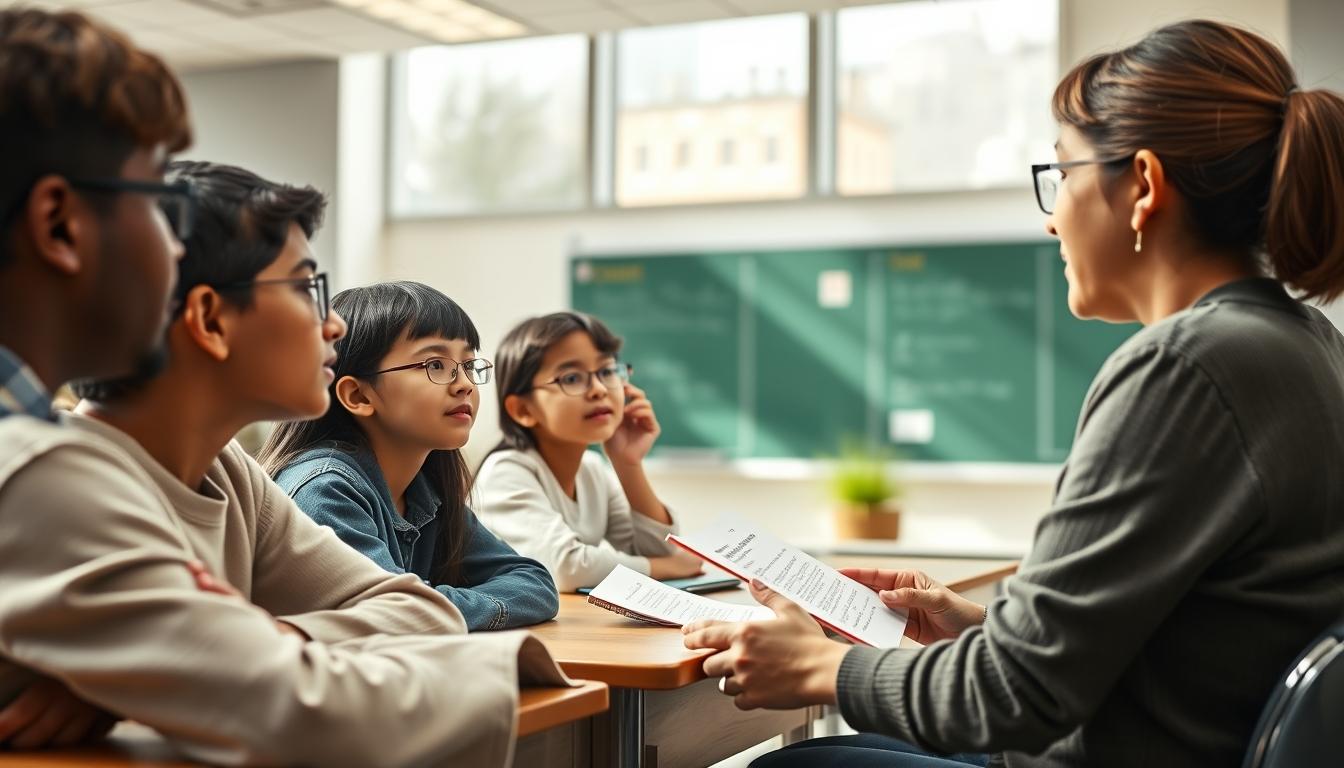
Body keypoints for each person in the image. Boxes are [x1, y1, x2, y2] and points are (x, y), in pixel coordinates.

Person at [683, 19, 1344, 768]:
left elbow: (1012, 700)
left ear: (1145, 187)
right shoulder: (1307, 344)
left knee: (794, 766)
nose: (1053, 217)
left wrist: (813, 666)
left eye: (1061, 174)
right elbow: (1173, 640)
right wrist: (978, 627)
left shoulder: (1183, 368)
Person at [2, 158, 563, 767]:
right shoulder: (58, 480)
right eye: (304, 288)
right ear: (211, 320)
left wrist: (266, 641)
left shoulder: (228, 473)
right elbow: (297, 709)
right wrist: (220, 669)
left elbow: (420, 610)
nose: (333, 323)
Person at [0, 7, 191, 749]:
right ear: (60, 225)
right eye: (161, 203)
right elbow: (298, 698)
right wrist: (155, 674)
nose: (177, 251)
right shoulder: (38, 467)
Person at [261, 281, 559, 631]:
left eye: (468, 364)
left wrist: (431, 603)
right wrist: (429, 603)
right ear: (358, 395)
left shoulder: (425, 490)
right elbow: (396, 612)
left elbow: (534, 583)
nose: (464, 383)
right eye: (435, 364)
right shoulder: (324, 489)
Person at [474, 311, 703, 592]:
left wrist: (627, 464)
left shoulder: (591, 468)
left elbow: (657, 549)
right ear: (523, 410)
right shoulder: (506, 471)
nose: (598, 389)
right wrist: (661, 569)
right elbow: (565, 567)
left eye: (607, 371)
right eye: (571, 378)